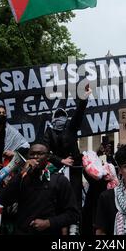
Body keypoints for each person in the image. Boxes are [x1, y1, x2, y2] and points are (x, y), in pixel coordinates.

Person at [0, 141, 80, 235]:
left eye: (40, 154)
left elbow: (73, 214)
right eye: (32, 154)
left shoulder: (59, 180)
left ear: (48, 157)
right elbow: (3, 200)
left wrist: (49, 223)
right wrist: (21, 174)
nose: (35, 157)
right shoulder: (21, 179)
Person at [42, 86, 91, 233]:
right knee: (59, 200)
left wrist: (84, 97)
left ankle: (74, 228)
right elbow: (45, 152)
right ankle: (60, 228)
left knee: (74, 200)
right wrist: (61, 160)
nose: (61, 119)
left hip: (74, 172)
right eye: (58, 116)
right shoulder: (49, 132)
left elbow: (79, 113)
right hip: (57, 172)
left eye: (63, 116)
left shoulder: (71, 128)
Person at [0, 104, 29, 174]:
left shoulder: (10, 130)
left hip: (5, 170)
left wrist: (14, 153)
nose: (1, 114)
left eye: (3, 113)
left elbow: (26, 145)